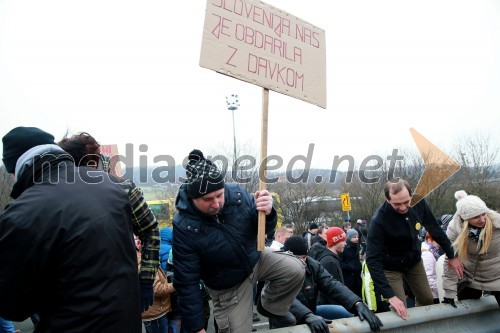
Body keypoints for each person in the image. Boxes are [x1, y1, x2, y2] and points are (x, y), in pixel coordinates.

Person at [0, 126, 142, 331]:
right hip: (125, 322)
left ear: (16, 169)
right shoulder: (110, 184)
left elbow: (13, 307)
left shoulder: (23, 214)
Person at [172, 149, 305, 333]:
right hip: (228, 286)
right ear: (194, 198)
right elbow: (186, 281)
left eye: (219, 195)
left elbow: (263, 229)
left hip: (255, 258)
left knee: (296, 269)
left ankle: (270, 307)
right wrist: (197, 327)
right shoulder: (184, 225)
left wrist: (267, 213)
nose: (217, 203)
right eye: (208, 199)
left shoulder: (237, 195)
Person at [58, 132, 160, 312]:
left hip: (118, 290)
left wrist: (146, 279)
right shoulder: (57, 194)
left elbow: (150, 229)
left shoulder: (123, 188)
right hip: (73, 293)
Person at [366, 179, 463, 320]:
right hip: (390, 266)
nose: (404, 207)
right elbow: (371, 259)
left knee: (427, 299)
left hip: (413, 260)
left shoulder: (418, 202)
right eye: (397, 204)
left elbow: (434, 228)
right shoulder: (378, 221)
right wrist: (390, 295)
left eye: (406, 202)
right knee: (399, 308)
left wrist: (451, 255)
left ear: (411, 195)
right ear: (387, 200)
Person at [275, 236, 383, 333]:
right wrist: (306, 315)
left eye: (304, 257)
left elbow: (331, 284)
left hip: (310, 313)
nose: (302, 262)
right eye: (298, 258)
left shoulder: (312, 265)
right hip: (286, 322)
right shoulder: (275, 270)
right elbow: (283, 298)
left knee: (347, 313)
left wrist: (357, 303)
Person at [442, 191, 500, 308]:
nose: (482, 219)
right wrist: (449, 293)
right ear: (465, 218)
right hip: (471, 279)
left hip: (497, 276)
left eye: (484, 214)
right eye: (476, 217)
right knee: (467, 310)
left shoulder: (497, 222)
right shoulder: (454, 228)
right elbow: (450, 261)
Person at [139, 252, 176, 333]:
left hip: (150, 312)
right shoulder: (148, 264)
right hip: (156, 314)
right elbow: (157, 289)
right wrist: (176, 285)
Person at [341, 229, 363, 298]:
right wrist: (349, 267)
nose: (356, 239)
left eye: (357, 237)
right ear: (349, 237)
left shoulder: (357, 246)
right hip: (348, 277)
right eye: (354, 237)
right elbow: (340, 261)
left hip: (358, 276)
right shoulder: (344, 247)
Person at [421, 232, 441, 303]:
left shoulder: (431, 252)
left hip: (433, 293)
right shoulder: (427, 254)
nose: (439, 243)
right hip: (433, 295)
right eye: (437, 240)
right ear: (429, 239)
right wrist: (440, 291)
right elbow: (428, 277)